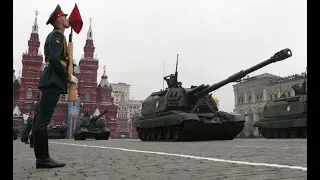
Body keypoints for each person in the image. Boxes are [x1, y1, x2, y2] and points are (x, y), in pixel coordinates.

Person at [33, 4, 78, 169]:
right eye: (65, 17)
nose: (67, 19)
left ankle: (41, 158)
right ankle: (43, 158)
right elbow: (53, 59)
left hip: (51, 81)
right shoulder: (57, 36)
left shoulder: (58, 36)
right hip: (53, 80)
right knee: (43, 120)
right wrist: (68, 76)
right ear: (59, 19)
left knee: (41, 119)